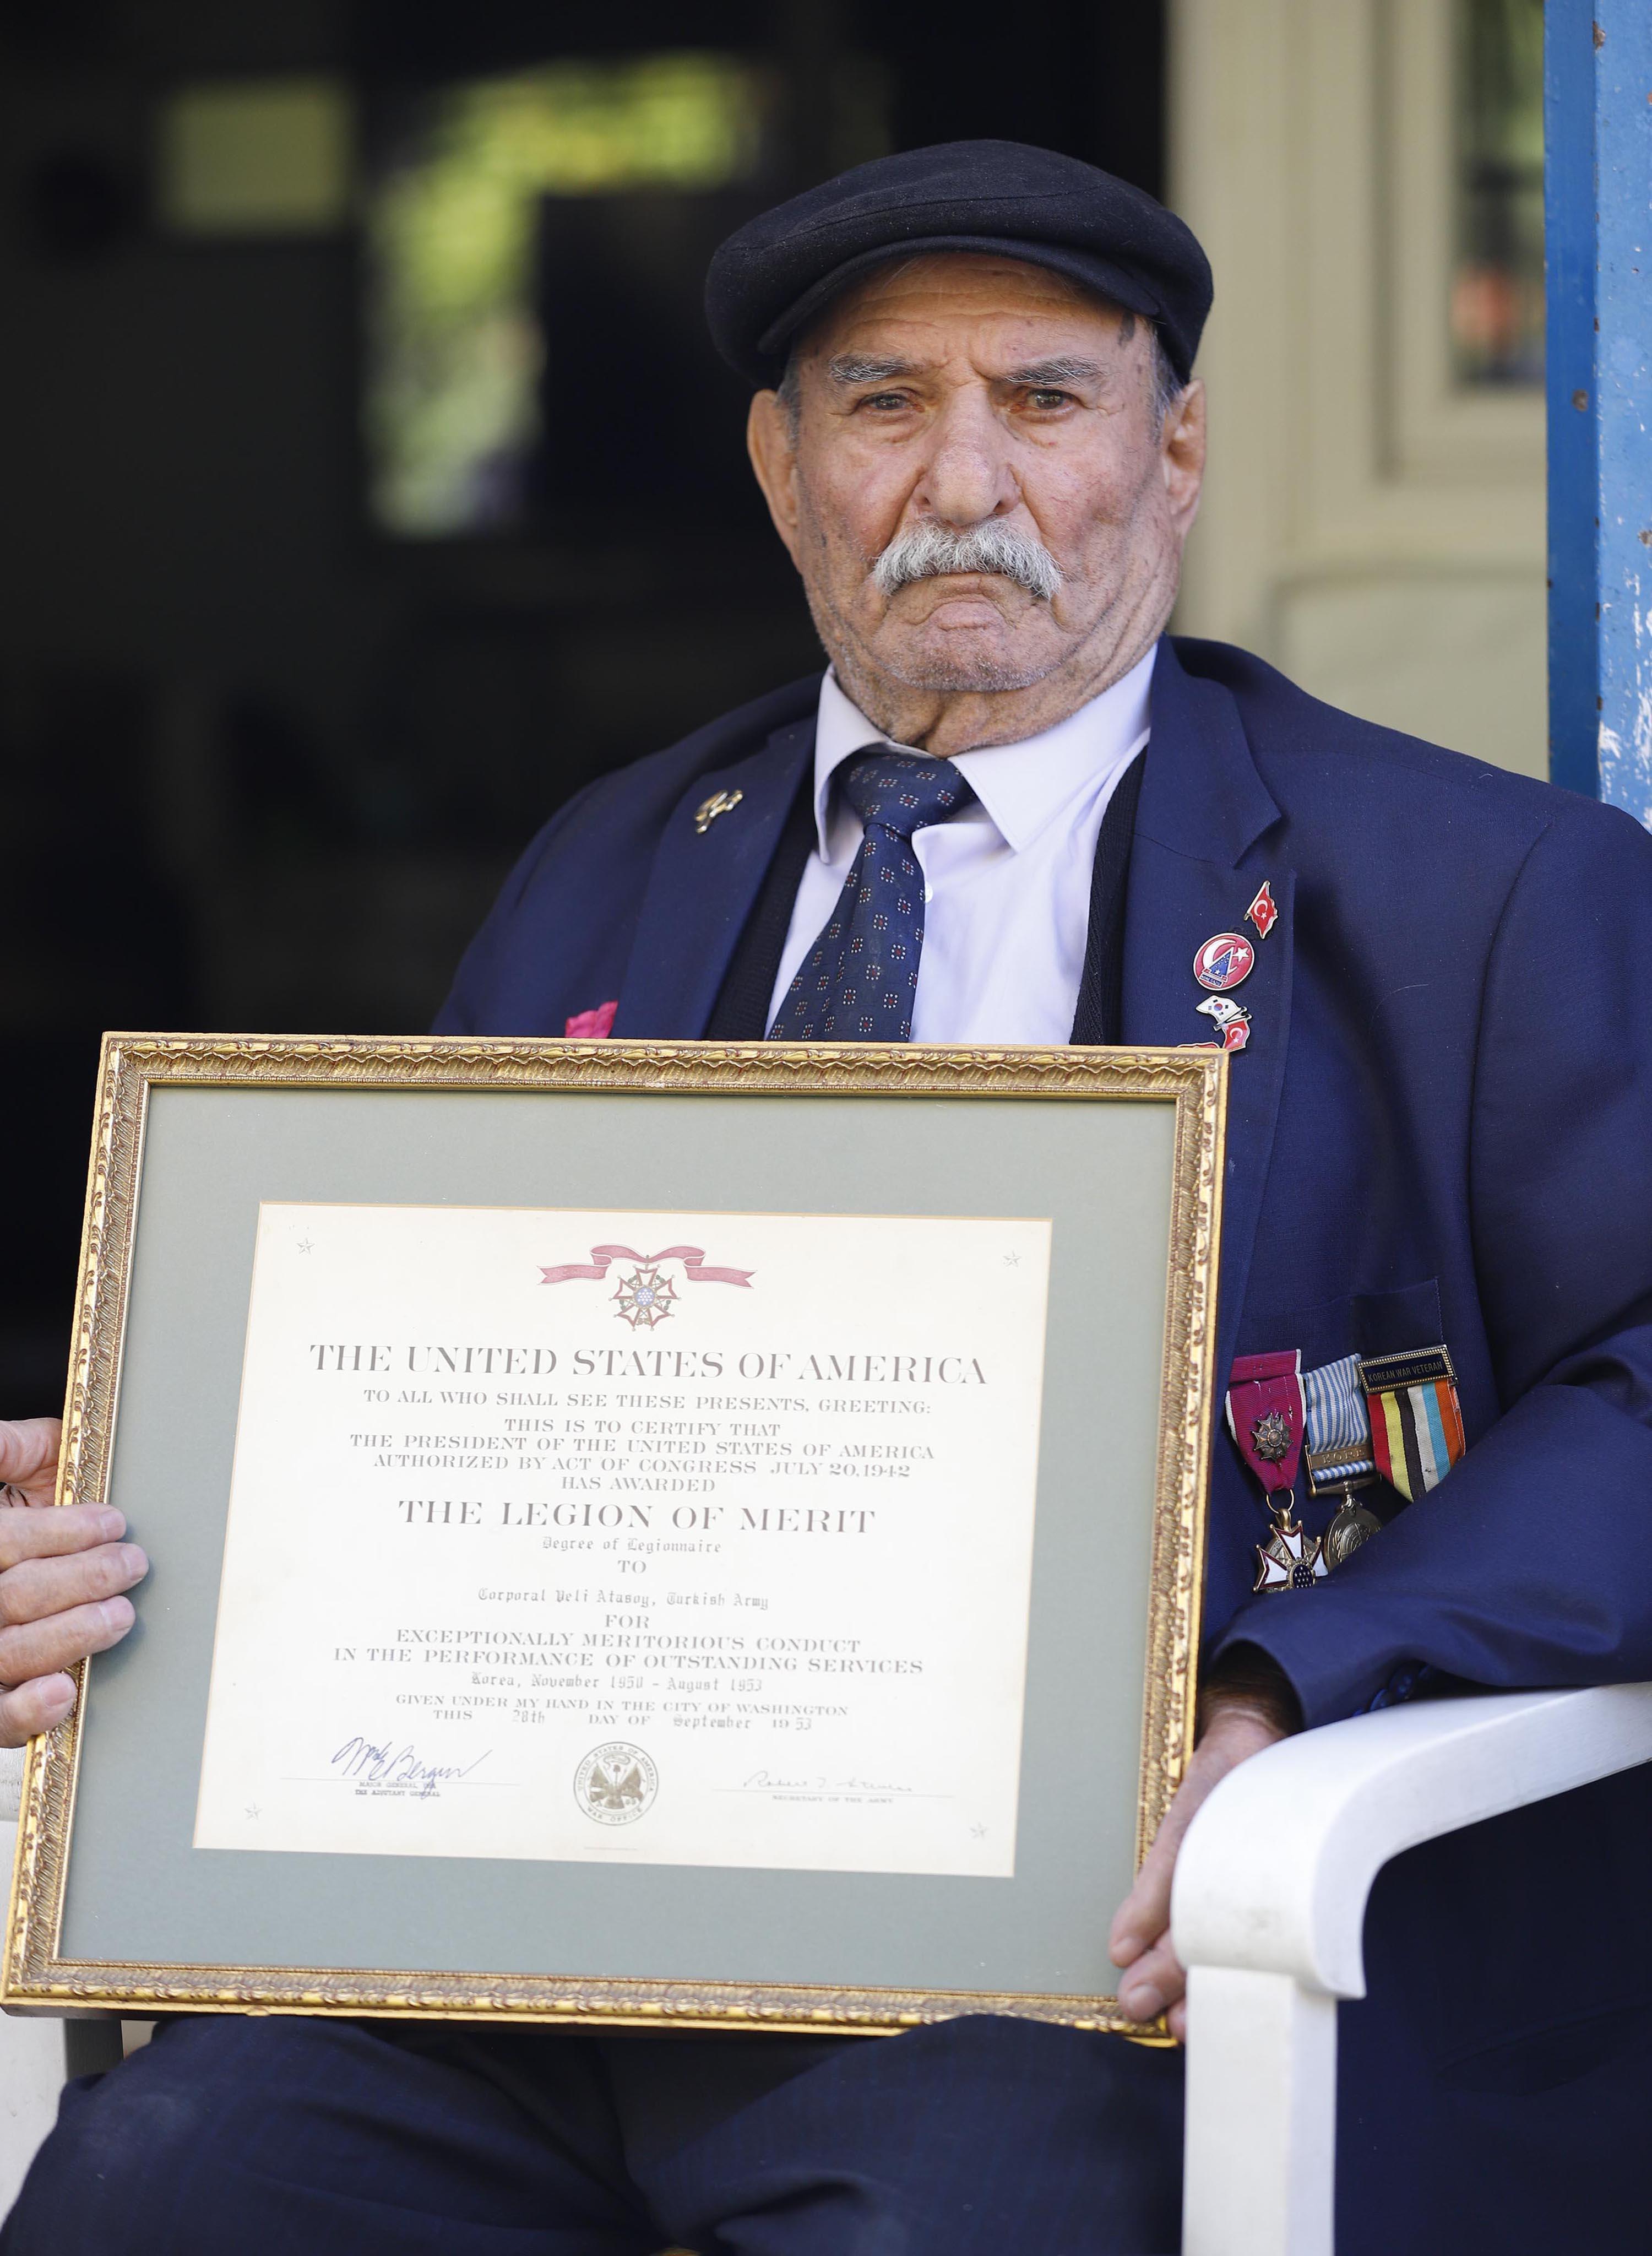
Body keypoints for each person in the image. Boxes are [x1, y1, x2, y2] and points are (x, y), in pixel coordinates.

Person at [6, 138, 1652, 2254]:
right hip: (544, 1938)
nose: (961, 478)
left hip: (1094, 1963)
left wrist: (1295, 1680)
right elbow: (420, 1398)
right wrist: (129, 1541)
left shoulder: (1487, 896)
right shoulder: (603, 862)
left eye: (1044, 401)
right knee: (159, 2181)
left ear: (1176, 451)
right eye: (883, 404)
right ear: (783, 471)